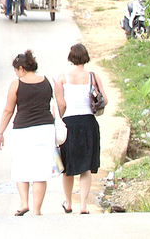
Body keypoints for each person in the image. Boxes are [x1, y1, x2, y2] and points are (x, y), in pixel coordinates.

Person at [0, 50, 58, 216]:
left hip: (23, 130)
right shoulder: (47, 82)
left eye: (16, 70)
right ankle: (37, 210)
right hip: (45, 129)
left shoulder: (16, 85)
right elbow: (57, 104)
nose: (16, 74)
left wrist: (0, 132)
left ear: (21, 68)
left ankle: (24, 203)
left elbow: (8, 110)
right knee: (41, 171)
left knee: (21, 166)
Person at [55, 43, 106, 214]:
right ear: (85, 57)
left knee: (67, 166)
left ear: (71, 57)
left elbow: (61, 104)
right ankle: (83, 205)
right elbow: (104, 100)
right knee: (85, 167)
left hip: (70, 123)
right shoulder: (93, 77)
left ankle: (68, 203)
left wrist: (59, 120)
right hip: (89, 122)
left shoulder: (62, 78)